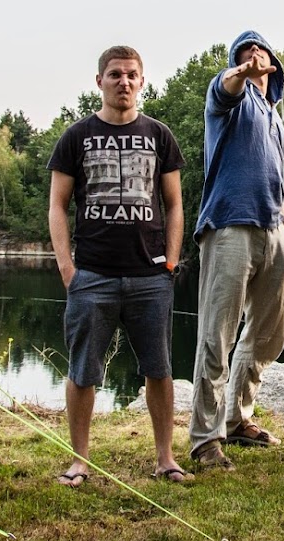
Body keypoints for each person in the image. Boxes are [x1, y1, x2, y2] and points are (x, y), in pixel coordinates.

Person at [47, 45, 191, 487]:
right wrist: (68, 269)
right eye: (115, 74)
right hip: (92, 275)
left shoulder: (159, 135)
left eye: (131, 75)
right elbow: (57, 206)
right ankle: (79, 460)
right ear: (100, 82)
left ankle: (165, 458)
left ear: (141, 82)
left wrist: (170, 262)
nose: (123, 82)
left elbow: (174, 204)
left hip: (150, 276)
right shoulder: (76, 136)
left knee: (159, 369)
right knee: (83, 371)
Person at [187, 30, 284, 471]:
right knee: (217, 335)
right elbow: (225, 86)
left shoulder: (274, 114)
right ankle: (205, 439)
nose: (253, 55)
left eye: (260, 49)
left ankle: (237, 418)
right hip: (229, 225)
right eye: (244, 52)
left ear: (274, 61)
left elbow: (276, 173)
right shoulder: (228, 99)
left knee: (269, 334)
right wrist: (241, 72)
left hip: (275, 230)